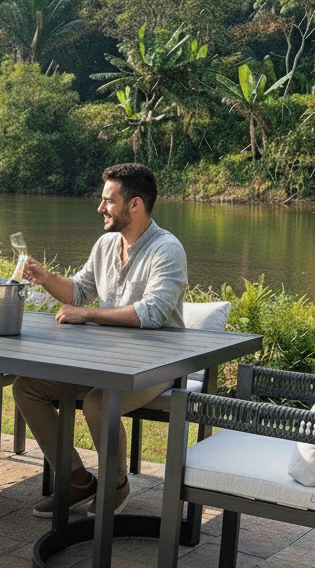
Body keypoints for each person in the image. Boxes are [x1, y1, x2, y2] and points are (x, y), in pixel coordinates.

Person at [12, 163, 187, 518]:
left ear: (135, 204)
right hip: (104, 362)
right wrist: (45, 278)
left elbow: (152, 313)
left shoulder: (167, 250)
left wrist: (88, 314)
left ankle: (116, 484)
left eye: (108, 201)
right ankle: (76, 479)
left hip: (155, 367)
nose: (100, 208)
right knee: (26, 387)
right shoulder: (106, 244)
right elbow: (78, 291)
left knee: (97, 403)